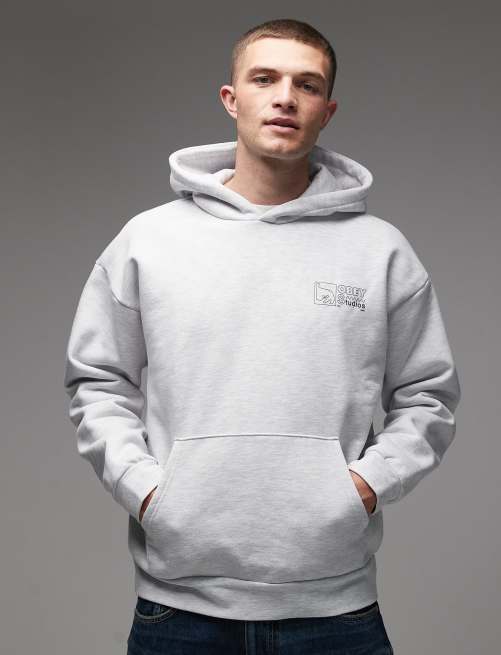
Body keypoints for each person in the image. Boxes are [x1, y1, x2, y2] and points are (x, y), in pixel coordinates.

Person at [63, 17, 461, 655]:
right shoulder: (149, 241)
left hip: (335, 610)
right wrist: (149, 491)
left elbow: (428, 396)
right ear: (231, 98)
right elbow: (97, 381)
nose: (285, 98)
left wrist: (362, 488)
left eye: (307, 85)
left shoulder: (380, 251)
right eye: (265, 79)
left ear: (326, 110)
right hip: (179, 608)